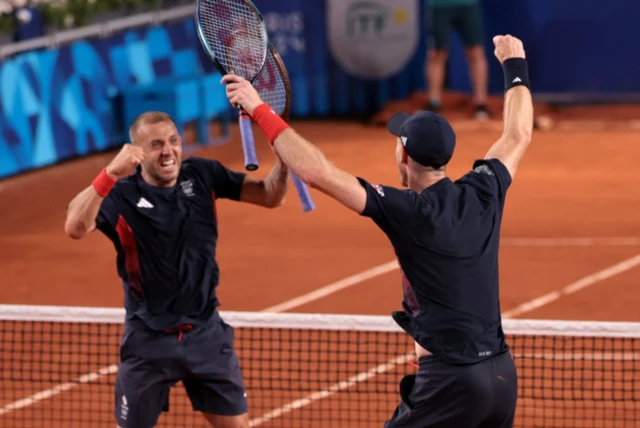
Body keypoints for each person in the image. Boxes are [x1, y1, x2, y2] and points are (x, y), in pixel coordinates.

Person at [222, 34, 532, 427]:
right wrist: (515, 65)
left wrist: (258, 107)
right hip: (503, 377)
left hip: (452, 383)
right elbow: (518, 134)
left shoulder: (407, 210)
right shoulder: (484, 189)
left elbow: (318, 172)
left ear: (404, 155)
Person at [64, 111, 289, 428]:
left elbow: (269, 196)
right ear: (137, 152)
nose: (168, 151)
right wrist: (110, 173)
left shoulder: (201, 175)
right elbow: (74, 227)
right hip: (148, 341)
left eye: (172, 141)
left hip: (206, 334)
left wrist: (283, 163)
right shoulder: (122, 195)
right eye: (156, 144)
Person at [426, 0, 490, 120]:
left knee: (476, 52)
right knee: (437, 54)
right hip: (439, 6)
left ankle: (481, 104)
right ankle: (433, 103)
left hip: (468, 5)